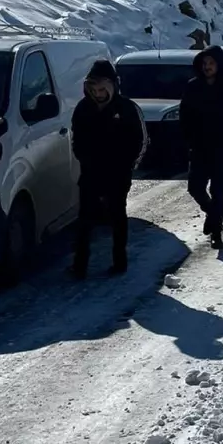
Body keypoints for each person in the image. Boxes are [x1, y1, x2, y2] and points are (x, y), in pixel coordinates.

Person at [69, 59, 146, 279]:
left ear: (112, 86)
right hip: (90, 173)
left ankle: (119, 262)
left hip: (118, 174)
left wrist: (127, 165)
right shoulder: (83, 108)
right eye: (93, 89)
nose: (98, 94)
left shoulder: (127, 108)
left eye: (102, 89)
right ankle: (80, 265)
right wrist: (85, 159)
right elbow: (77, 139)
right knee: (85, 220)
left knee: (117, 218)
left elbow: (139, 140)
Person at [180, 45, 223, 248]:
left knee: (219, 190)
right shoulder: (193, 86)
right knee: (195, 188)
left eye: (211, 63)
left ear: (219, 65)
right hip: (199, 146)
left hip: (221, 146)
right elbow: (184, 114)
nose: (207, 67)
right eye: (204, 63)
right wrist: (188, 137)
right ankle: (211, 213)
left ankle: (216, 233)